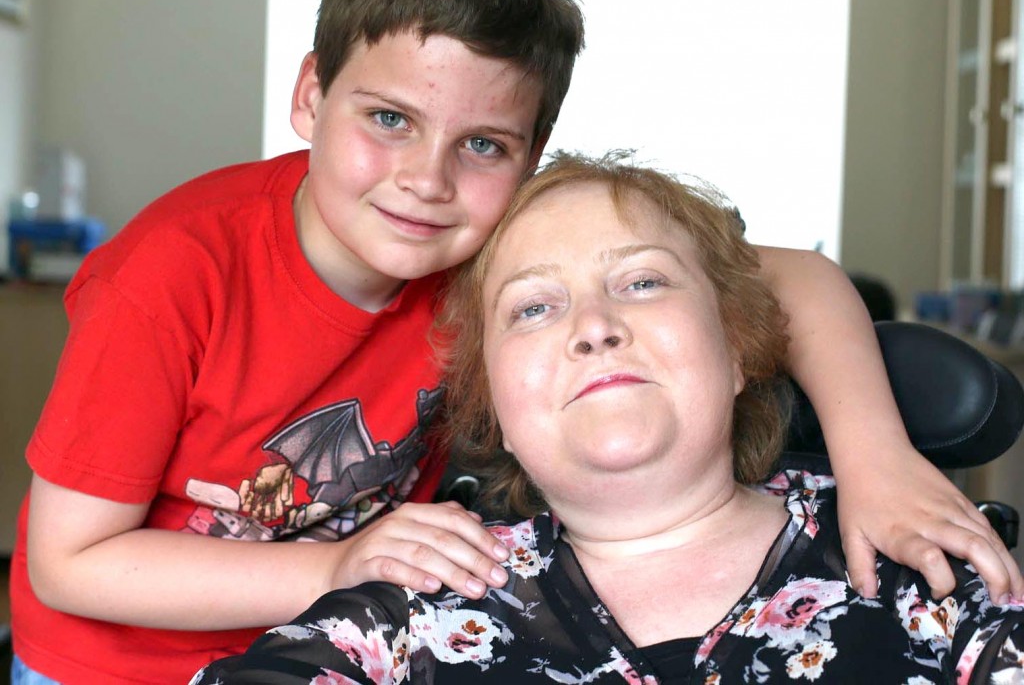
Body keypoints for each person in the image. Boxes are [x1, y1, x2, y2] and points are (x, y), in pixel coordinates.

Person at [9, 0, 1020, 685]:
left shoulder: (490, 247)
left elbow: (785, 279)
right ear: (311, 93)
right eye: (389, 119)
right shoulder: (174, 274)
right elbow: (71, 559)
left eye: (482, 143)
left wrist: (877, 456)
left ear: (528, 156)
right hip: (111, 658)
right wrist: (329, 567)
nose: (427, 178)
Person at [193, 151, 1024, 683]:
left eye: (643, 282)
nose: (594, 325)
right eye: (533, 308)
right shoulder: (416, 606)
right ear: (495, 410)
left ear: (740, 349)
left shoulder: (918, 569)